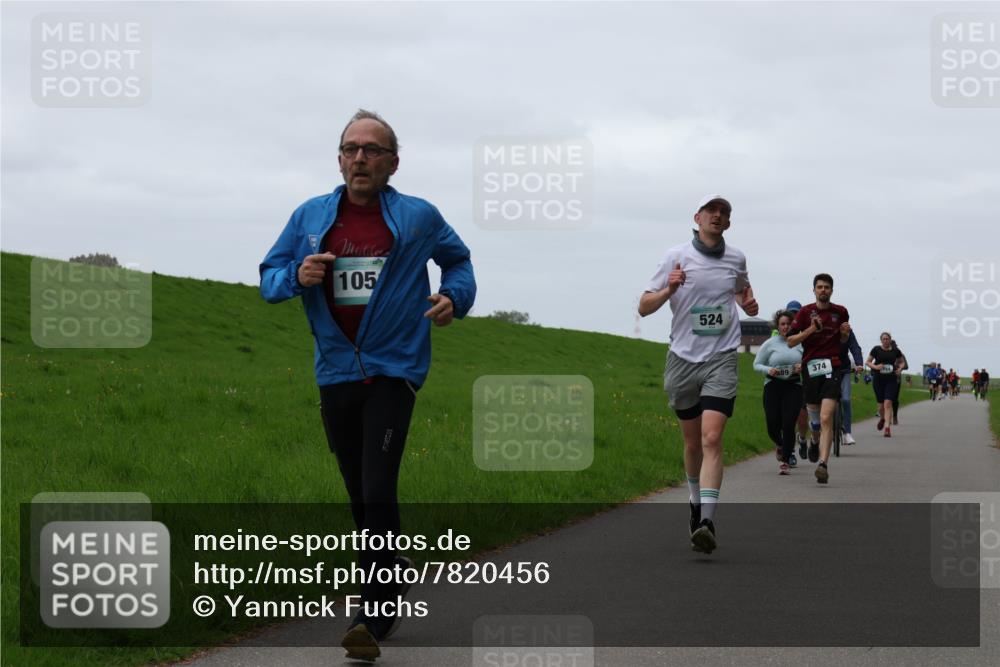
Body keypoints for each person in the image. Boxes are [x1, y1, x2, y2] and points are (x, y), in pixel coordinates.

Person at [259, 109, 477, 662]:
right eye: (351, 148)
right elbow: (268, 278)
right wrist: (295, 277)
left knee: (378, 486)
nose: (361, 157)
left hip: (394, 369)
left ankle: (372, 613)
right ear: (339, 159)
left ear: (392, 163)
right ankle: (391, 571)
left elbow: (458, 261)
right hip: (335, 369)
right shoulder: (310, 216)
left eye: (373, 149)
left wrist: (455, 296)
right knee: (360, 493)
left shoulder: (418, 216)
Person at [640, 194, 758, 554]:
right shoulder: (675, 256)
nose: (718, 217)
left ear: (729, 223)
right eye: (712, 212)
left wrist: (748, 303)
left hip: (721, 356)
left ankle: (707, 520)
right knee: (692, 443)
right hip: (682, 359)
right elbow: (644, 307)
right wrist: (669, 288)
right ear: (698, 217)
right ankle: (694, 503)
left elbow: (742, 292)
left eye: (724, 214)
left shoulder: (736, 258)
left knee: (711, 438)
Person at [786, 274, 851, 484]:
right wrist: (812, 329)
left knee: (826, 418)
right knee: (815, 421)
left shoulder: (840, 312)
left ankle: (823, 464)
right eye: (820, 287)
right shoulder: (804, 313)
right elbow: (790, 341)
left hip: (833, 366)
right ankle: (814, 441)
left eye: (827, 287)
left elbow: (843, 340)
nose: (823, 290)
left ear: (832, 290)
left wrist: (844, 334)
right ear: (814, 290)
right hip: (810, 368)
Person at [754, 310, 803, 474]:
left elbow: (809, 362)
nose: (785, 327)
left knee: (788, 423)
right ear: (778, 326)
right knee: (772, 423)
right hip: (773, 386)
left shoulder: (799, 343)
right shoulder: (770, 343)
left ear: (793, 325)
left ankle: (785, 460)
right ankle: (781, 444)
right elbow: (756, 364)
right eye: (782, 324)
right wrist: (769, 369)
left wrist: (801, 367)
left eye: (788, 324)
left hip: (794, 386)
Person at [866, 332, 904, 437]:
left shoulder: (895, 351)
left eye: (887, 339)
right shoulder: (876, 349)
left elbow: (902, 362)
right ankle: (882, 418)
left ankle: (887, 428)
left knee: (888, 403)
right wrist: (875, 367)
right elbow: (868, 362)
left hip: (891, 380)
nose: (885, 340)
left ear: (890, 340)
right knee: (880, 405)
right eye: (884, 339)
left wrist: (900, 369)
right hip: (878, 380)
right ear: (881, 340)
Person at [838, 322, 864, 445]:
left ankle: (847, 433)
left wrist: (859, 363)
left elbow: (855, 348)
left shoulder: (849, 332)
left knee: (846, 400)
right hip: (828, 369)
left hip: (844, 369)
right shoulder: (828, 329)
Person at [890, 339, 908, 425]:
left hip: (896, 378)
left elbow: (906, 366)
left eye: (893, 346)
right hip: (884, 378)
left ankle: (895, 416)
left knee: (894, 399)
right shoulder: (883, 353)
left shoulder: (900, 355)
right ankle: (887, 416)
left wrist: (898, 367)